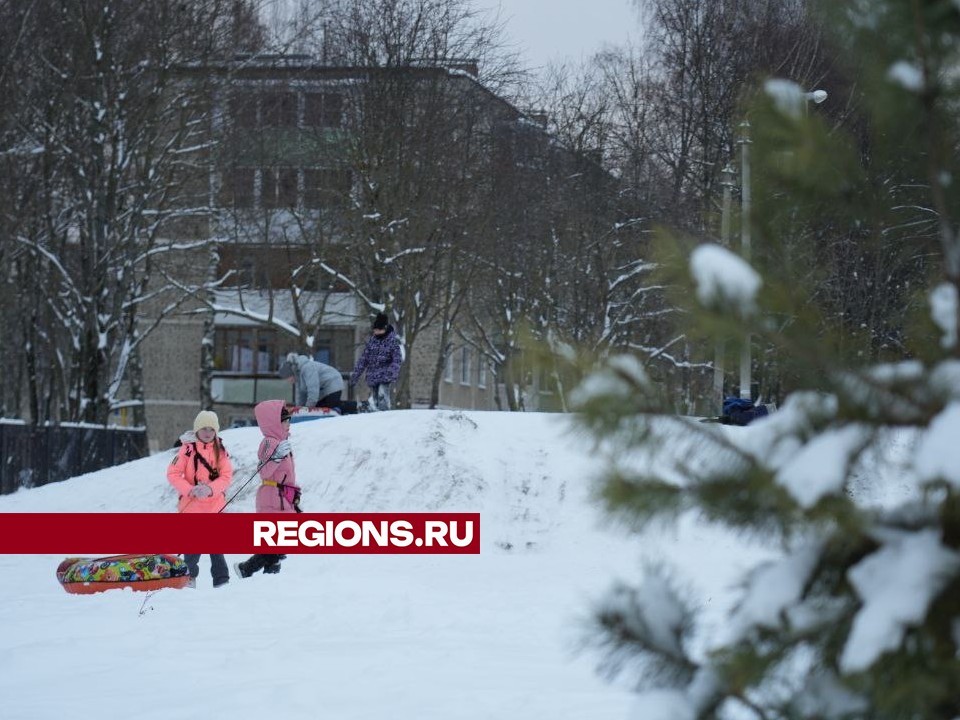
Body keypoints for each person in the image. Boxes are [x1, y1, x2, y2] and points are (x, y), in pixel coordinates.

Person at [166, 410, 234, 588]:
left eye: (212, 429)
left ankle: (222, 581)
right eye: (204, 428)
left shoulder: (221, 451)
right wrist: (190, 490)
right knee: (192, 549)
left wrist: (210, 489)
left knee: (216, 548)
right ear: (197, 429)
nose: (208, 432)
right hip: (192, 508)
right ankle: (188, 578)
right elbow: (172, 474)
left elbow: (226, 476)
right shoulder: (186, 450)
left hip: (215, 507)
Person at [234, 400, 301, 579]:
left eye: (289, 420)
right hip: (272, 498)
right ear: (274, 423)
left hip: (283, 497)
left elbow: (288, 475)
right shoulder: (269, 443)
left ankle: (263, 577)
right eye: (285, 421)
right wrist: (276, 457)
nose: (288, 424)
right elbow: (263, 472)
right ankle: (248, 570)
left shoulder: (283, 442)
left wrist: (295, 496)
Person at [349, 312, 403, 411]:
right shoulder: (372, 342)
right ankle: (377, 417)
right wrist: (355, 375)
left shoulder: (392, 342)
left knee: (382, 397)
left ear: (385, 328)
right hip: (373, 377)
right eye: (375, 330)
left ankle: (384, 416)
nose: (376, 332)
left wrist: (391, 373)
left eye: (379, 330)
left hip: (385, 376)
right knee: (375, 401)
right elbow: (363, 359)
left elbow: (397, 360)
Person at [278, 352, 348, 411]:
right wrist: (299, 409)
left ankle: (355, 406)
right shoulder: (298, 376)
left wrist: (307, 410)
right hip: (324, 389)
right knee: (319, 407)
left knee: (327, 408)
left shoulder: (307, 368)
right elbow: (301, 395)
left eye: (288, 378)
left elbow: (313, 390)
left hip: (333, 382)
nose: (288, 381)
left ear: (291, 372)